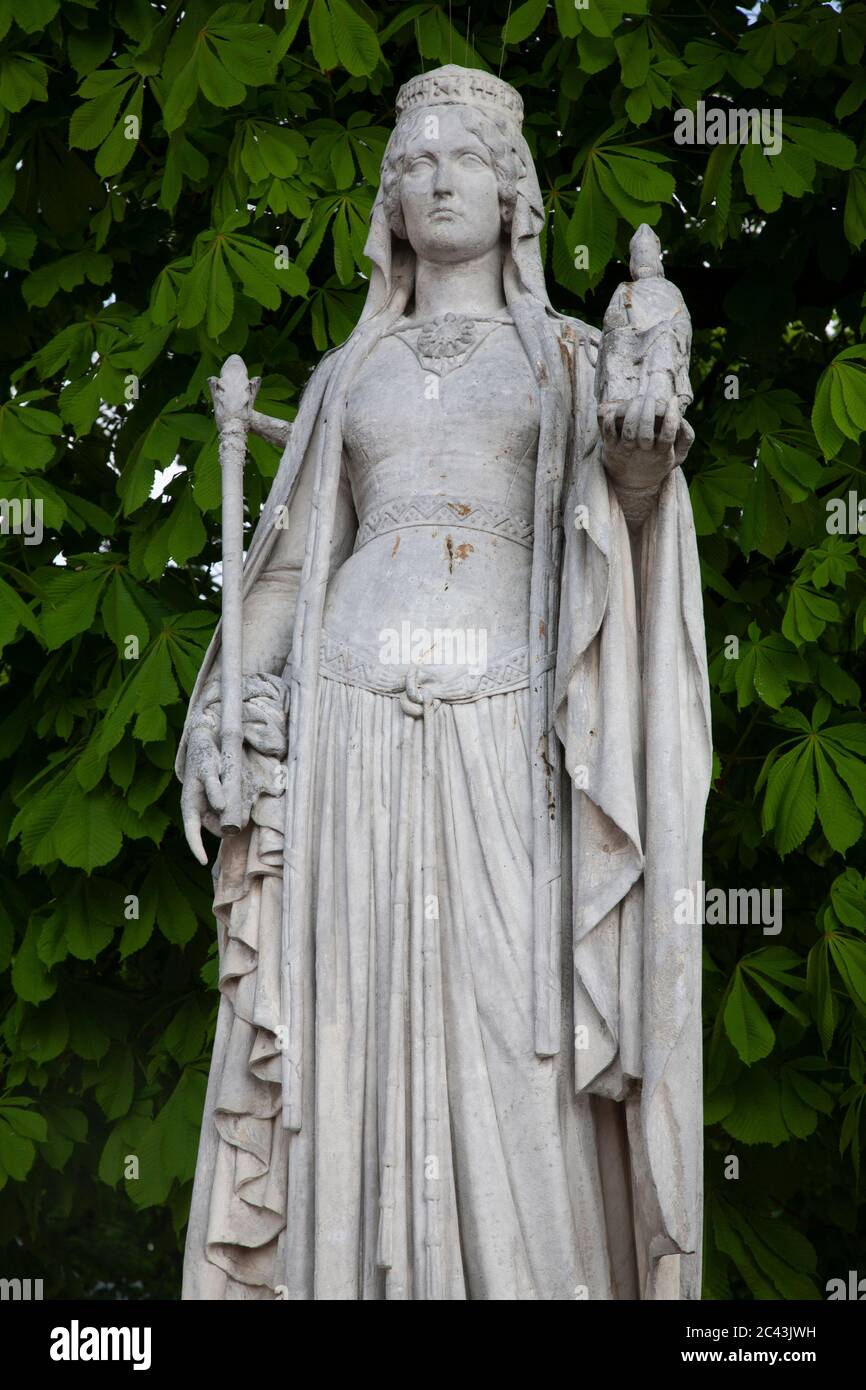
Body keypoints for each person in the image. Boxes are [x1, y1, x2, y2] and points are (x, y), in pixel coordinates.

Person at [177, 65, 711, 1301]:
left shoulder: (572, 357)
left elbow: (626, 517)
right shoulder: (344, 375)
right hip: (348, 732)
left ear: (512, 188)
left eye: (460, 157)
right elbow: (285, 570)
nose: (434, 177)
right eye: (412, 162)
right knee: (350, 1039)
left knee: (513, 1038)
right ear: (389, 203)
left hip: (513, 735)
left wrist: (638, 449)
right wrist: (222, 713)